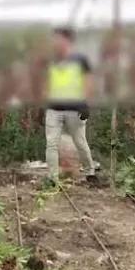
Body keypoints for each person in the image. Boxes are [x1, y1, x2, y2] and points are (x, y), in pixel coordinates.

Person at [44, 27, 97, 185]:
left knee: (80, 142)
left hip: (75, 109)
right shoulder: (51, 60)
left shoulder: (80, 60)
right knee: (51, 144)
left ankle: (90, 171)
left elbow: (88, 83)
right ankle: (52, 178)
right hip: (54, 108)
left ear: (67, 40)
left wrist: (86, 104)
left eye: (58, 39)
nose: (55, 42)